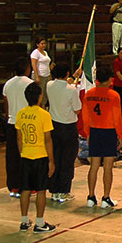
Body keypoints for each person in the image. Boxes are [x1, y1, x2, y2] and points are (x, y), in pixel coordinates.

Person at [15, 82, 56, 233]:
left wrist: (22, 153)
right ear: (39, 97)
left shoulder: (21, 114)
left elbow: (19, 138)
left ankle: (24, 221)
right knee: (41, 190)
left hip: (26, 155)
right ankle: (39, 223)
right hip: (40, 157)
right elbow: (48, 140)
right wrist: (51, 161)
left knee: (25, 190)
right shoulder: (44, 115)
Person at [82, 66, 122, 208]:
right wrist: (120, 135)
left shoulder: (89, 94)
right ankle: (106, 198)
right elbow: (116, 117)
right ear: (110, 79)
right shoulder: (113, 95)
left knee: (93, 166)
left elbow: (85, 116)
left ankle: (91, 196)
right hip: (109, 132)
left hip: (94, 131)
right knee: (107, 167)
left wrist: (88, 132)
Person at [46, 64, 82, 203]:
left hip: (54, 126)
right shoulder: (72, 90)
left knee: (55, 158)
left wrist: (74, 76)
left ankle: (54, 190)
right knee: (67, 161)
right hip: (68, 127)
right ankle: (64, 190)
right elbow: (77, 110)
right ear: (66, 74)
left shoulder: (49, 85)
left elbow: (61, 85)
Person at [3, 57, 34, 198]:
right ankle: (28, 185)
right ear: (27, 68)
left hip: (11, 121)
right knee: (27, 155)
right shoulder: (30, 84)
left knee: (12, 156)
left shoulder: (8, 84)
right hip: (26, 122)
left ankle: (13, 186)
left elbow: (6, 105)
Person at [31, 37, 54, 107]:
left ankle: (44, 106)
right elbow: (34, 64)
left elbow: (47, 64)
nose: (44, 45)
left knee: (45, 93)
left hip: (46, 75)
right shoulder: (35, 53)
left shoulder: (45, 52)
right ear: (37, 44)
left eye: (44, 43)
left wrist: (50, 74)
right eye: (42, 44)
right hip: (40, 75)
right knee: (40, 93)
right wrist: (37, 76)